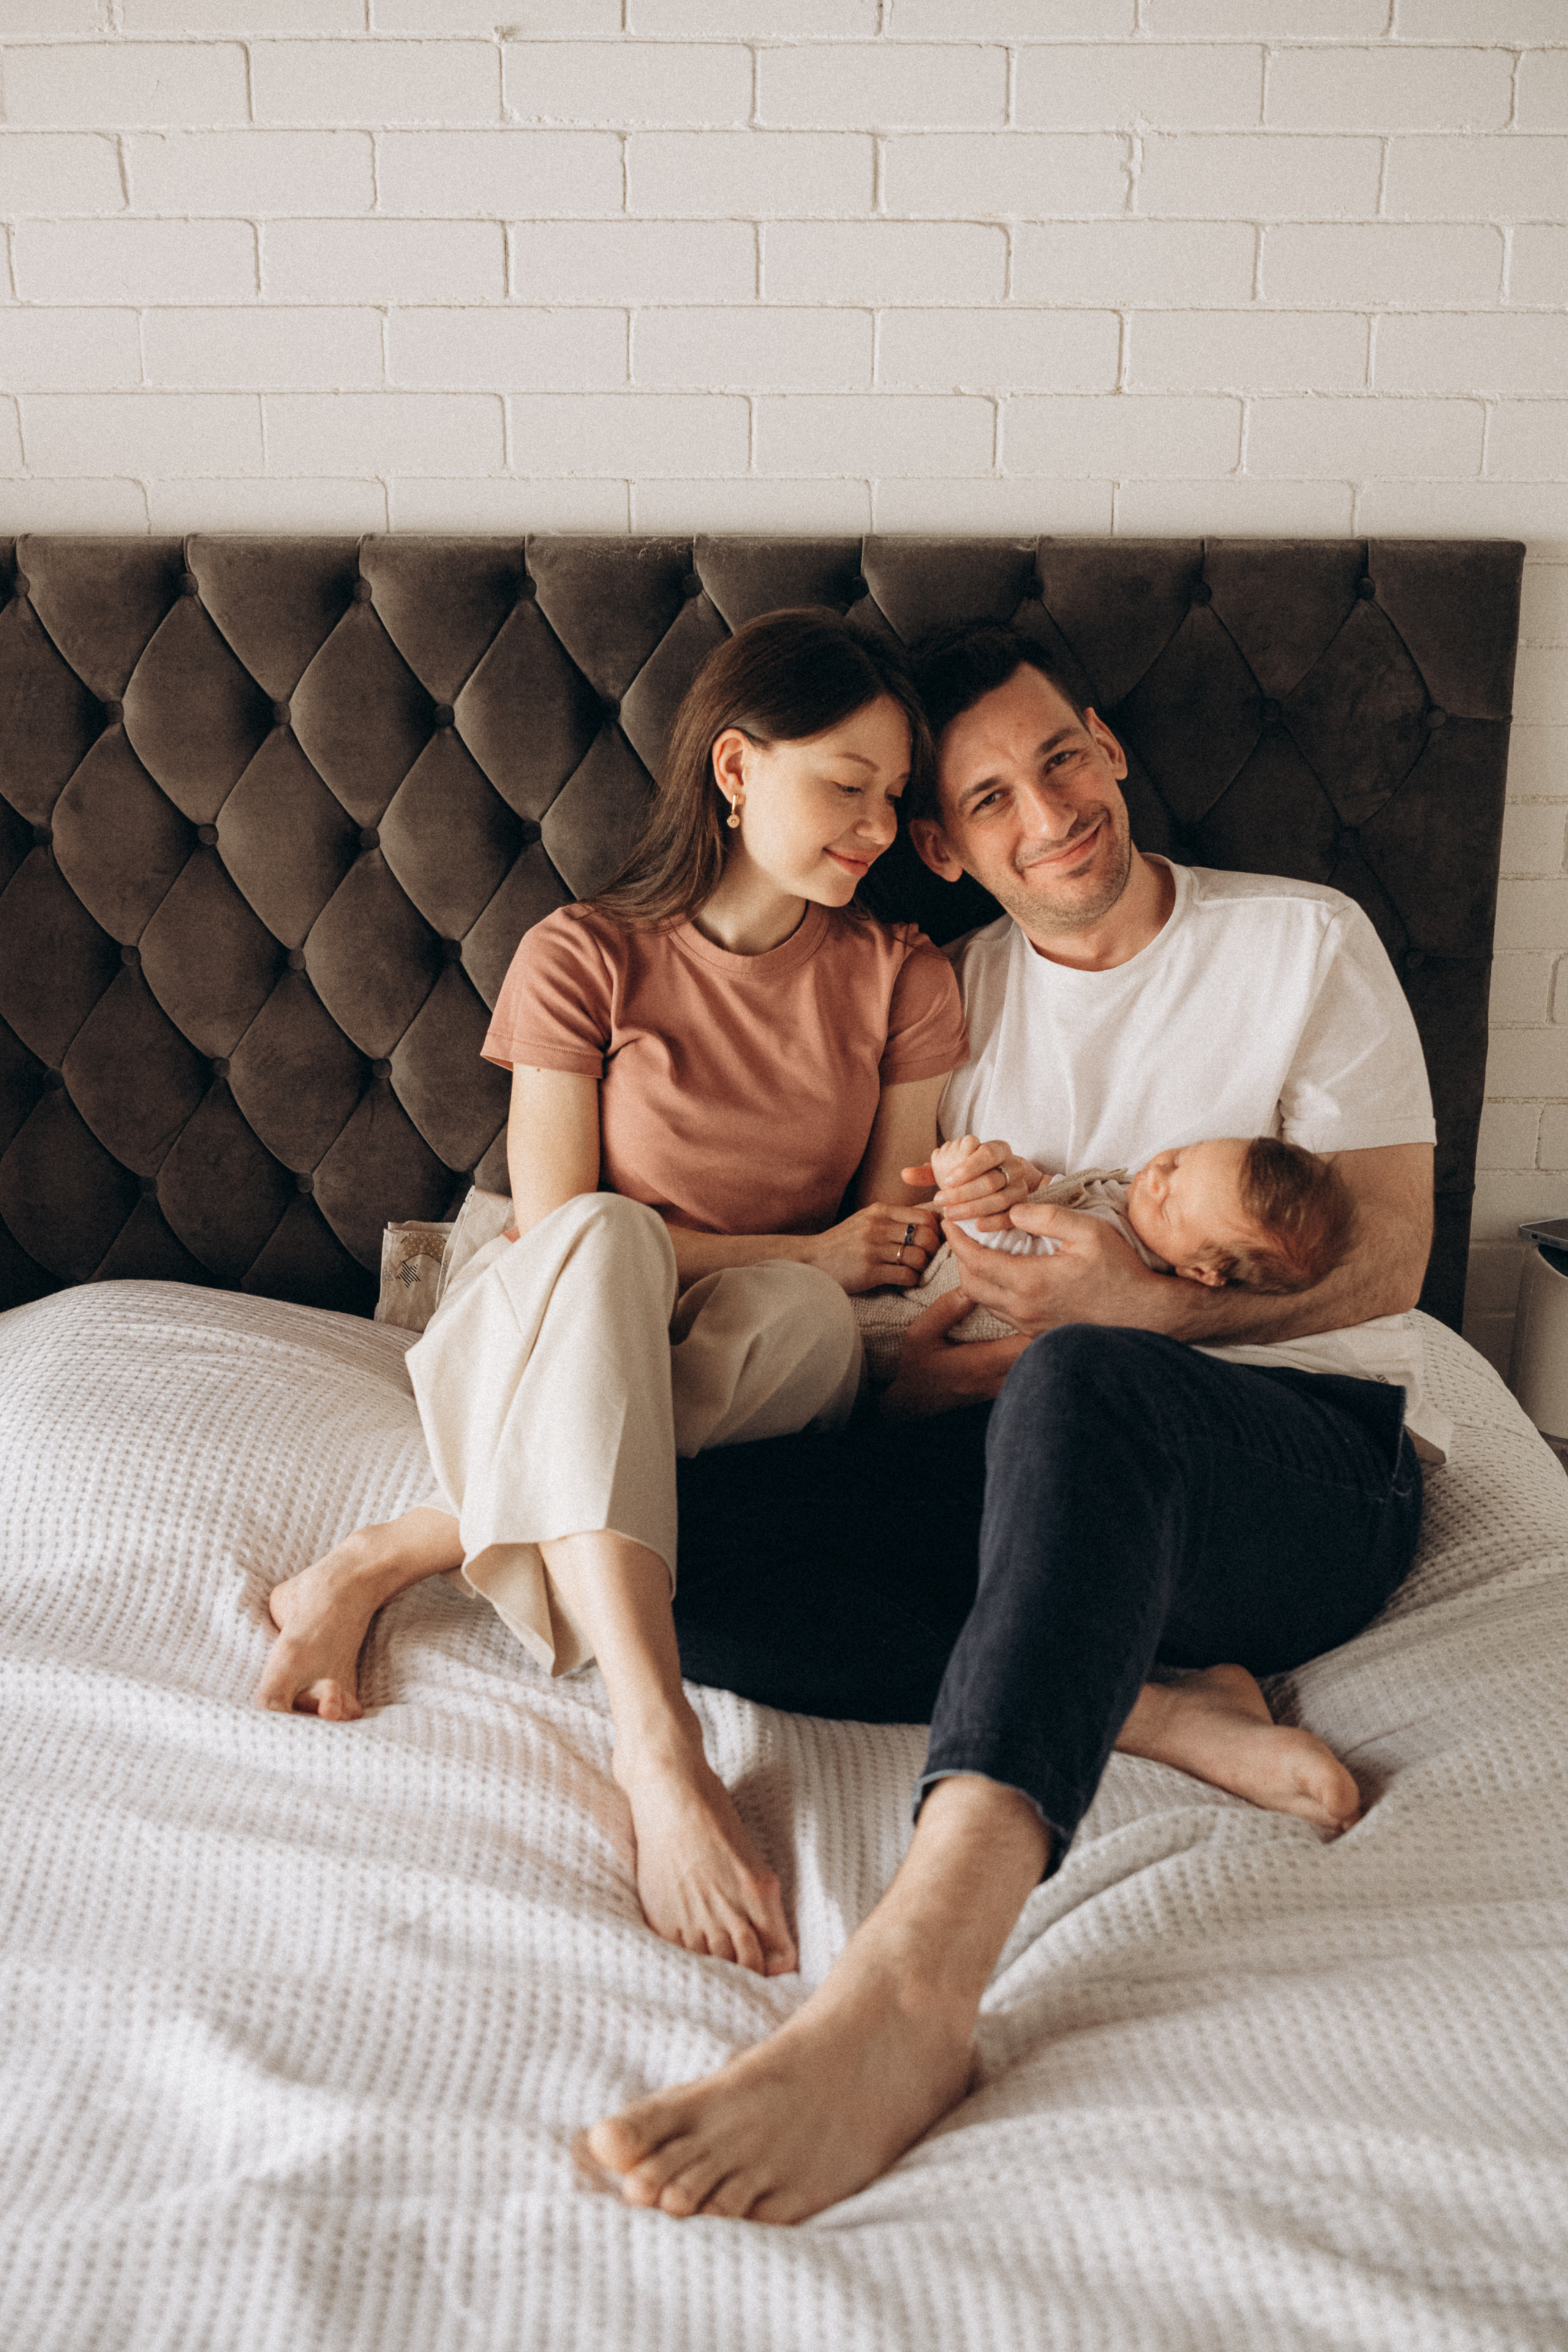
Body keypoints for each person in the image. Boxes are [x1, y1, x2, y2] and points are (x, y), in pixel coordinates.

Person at [579, 619, 1436, 2226]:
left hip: (1298, 1465)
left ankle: (914, 1989)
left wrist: (1136, 1309)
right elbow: (887, 1270)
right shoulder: (938, 997)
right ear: (943, 849)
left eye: (1062, 758)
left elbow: (1390, 1258)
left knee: (1082, 1376)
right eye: (988, 800)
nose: (1047, 813)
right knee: (672, 1555)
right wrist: (903, 1378)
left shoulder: (1302, 942)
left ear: (1109, 748)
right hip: (1020, 1465)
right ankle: (1152, 1702)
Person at [254, 608, 969, 1981]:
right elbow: (557, 1225)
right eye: (845, 785)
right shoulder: (583, 954)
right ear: (735, 767)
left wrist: (867, 1251)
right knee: (612, 1244)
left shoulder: (901, 977)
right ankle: (659, 1746)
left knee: (816, 1321)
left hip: (759, 1340)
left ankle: (388, 1554)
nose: (877, 827)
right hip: (558, 1303)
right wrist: (806, 1251)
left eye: (893, 797)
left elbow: (870, 1246)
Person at [854, 1130, 1360, 1380]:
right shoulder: (1130, 1204)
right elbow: (1062, 1189)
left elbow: (999, 1252)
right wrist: (1024, 1179)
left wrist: (963, 1189)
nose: (1156, 1177)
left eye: (1172, 1202)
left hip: (913, 1324)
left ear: (1200, 1272)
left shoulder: (1109, 1252)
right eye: (1178, 1160)